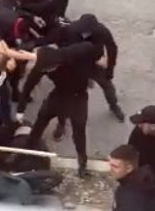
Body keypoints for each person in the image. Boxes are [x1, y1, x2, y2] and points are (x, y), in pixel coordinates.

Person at [19, 42, 102, 177]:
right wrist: (20, 110)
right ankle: (28, 148)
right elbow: (28, 86)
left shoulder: (70, 54)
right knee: (42, 117)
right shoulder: (42, 67)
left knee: (79, 130)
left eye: (49, 70)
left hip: (78, 96)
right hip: (59, 94)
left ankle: (82, 164)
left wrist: (97, 58)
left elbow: (90, 46)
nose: (47, 73)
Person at [46, 13, 123, 121]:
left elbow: (112, 48)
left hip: (95, 63)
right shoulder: (71, 29)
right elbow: (64, 48)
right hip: (77, 64)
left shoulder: (102, 31)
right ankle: (62, 120)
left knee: (107, 85)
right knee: (69, 92)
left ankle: (113, 105)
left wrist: (110, 69)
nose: (86, 34)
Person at [109, 144, 155, 211]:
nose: (110, 169)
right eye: (110, 165)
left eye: (115, 166)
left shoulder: (130, 194)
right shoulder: (147, 182)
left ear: (129, 168)